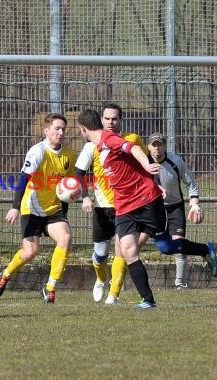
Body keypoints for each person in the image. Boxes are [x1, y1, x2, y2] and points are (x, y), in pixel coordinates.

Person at [77, 109, 217, 309]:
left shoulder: (109, 139)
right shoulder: (99, 146)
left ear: (83, 129)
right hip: (124, 206)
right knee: (128, 251)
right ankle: (148, 300)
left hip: (146, 202)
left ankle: (206, 251)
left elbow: (132, 148)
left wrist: (146, 165)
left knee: (166, 247)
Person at [0, 113, 76, 304]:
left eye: (63, 128)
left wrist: (64, 210)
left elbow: (65, 186)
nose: (61, 132)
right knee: (30, 252)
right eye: (57, 128)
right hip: (31, 208)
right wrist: (15, 207)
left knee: (65, 238)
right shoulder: (37, 151)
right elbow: (23, 179)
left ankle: (50, 288)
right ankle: (5, 275)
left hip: (53, 210)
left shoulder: (69, 155)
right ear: (46, 131)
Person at [75, 103, 148, 304]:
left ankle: (113, 295)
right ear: (101, 121)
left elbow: (146, 164)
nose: (110, 122)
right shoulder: (92, 145)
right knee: (99, 255)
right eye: (106, 118)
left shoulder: (131, 141)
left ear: (120, 120)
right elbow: (79, 173)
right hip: (101, 207)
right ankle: (100, 279)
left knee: (122, 250)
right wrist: (85, 196)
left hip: (125, 206)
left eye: (114, 118)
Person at [147, 132, 203, 289]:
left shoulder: (175, 161)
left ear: (165, 146)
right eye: (154, 144)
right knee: (136, 244)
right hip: (153, 209)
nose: (157, 148)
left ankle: (181, 284)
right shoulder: (143, 162)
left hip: (175, 208)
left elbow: (191, 183)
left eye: (160, 144)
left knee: (178, 245)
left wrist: (194, 204)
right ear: (148, 147)